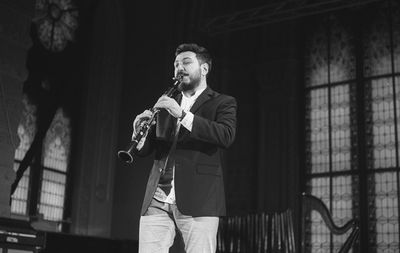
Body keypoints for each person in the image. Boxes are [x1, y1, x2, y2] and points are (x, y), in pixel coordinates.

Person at [133, 43, 237, 253]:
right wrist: (139, 136)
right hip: (157, 198)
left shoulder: (223, 102)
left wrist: (182, 114)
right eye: (176, 64)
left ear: (204, 69)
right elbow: (152, 148)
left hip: (200, 199)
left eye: (186, 62)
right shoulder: (166, 101)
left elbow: (226, 135)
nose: (179, 68)